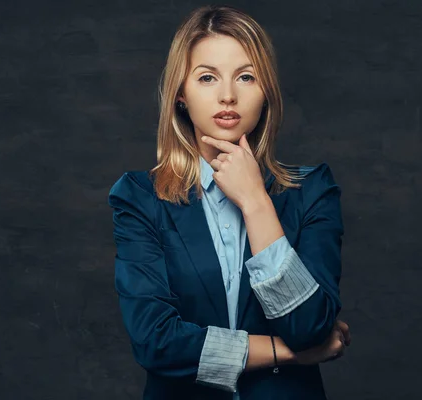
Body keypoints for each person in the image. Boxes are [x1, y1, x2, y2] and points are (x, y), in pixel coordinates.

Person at [108, 5, 352, 400]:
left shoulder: (312, 190)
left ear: (266, 91)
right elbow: (157, 343)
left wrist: (256, 201)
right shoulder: (139, 198)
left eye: (246, 76)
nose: (227, 95)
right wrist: (289, 353)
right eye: (207, 77)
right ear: (181, 95)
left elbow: (309, 326)